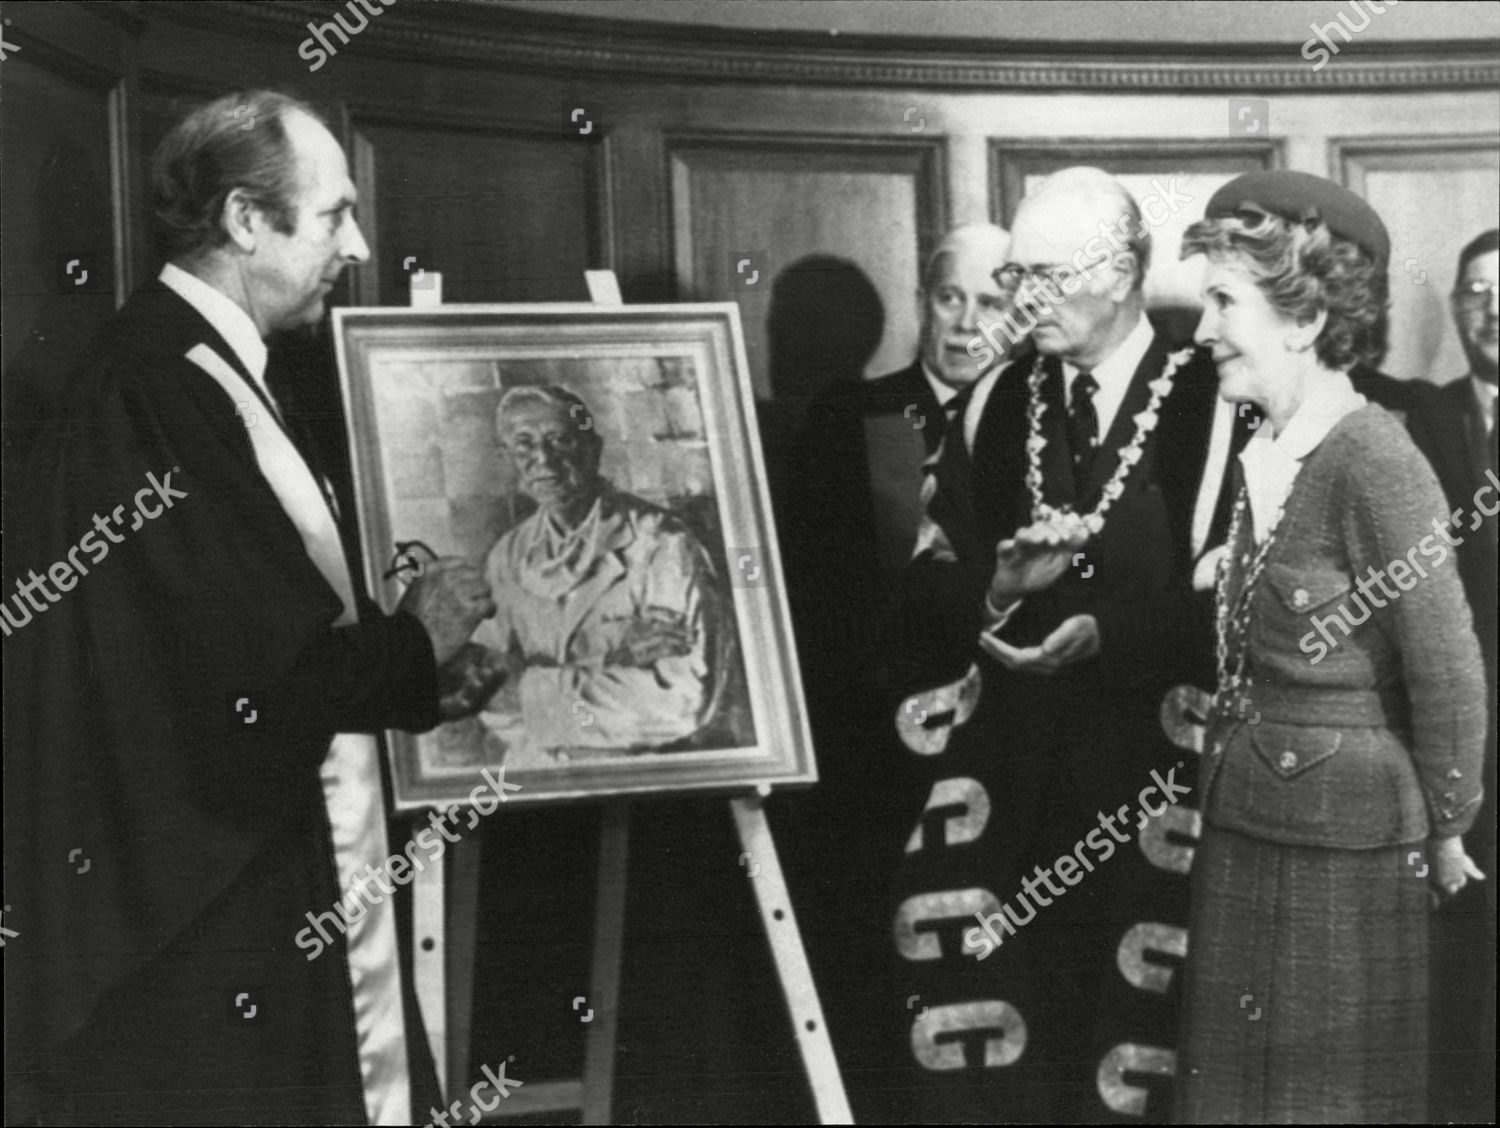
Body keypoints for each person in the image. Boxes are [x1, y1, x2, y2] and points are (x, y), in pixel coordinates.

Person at [2, 90, 498, 1126]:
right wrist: (417, 639)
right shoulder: (156, 384)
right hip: (207, 898)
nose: (356, 246)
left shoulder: (207, 370)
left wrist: (421, 678)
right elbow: (240, 676)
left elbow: (253, 630)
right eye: (331, 217)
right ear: (242, 221)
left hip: (253, 867)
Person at [892, 167, 1240, 1123]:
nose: (1020, 299)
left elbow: (1250, 595)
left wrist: (1112, 635)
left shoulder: (1218, 397)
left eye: (1047, 275)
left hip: (1165, 789)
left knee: (1145, 1049)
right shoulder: (992, 400)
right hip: (1016, 790)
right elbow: (925, 583)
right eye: (1016, 276)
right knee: (1020, 1053)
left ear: (1128, 270)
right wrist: (998, 591)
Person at [1173, 171, 1487, 1123]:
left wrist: (1447, 826)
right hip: (1250, 825)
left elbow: (1448, 667)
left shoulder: (1374, 455)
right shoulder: (1266, 445)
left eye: (1225, 302)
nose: (1203, 332)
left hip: (1344, 854)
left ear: (1304, 320)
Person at [770, 225, 1016, 1121]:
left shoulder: (1035, 422)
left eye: (992, 304)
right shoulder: (852, 415)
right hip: (876, 760)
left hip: (1000, 753)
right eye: (951, 298)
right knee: (874, 982)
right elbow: (814, 599)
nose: (965, 324)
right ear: (923, 298)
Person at [469, 384, 727, 762]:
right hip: (533, 771)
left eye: (560, 441)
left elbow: (678, 701)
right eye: (524, 444)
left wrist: (534, 694)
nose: (543, 458)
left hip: (645, 776)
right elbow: (484, 691)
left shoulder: (662, 545)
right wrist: (609, 665)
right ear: (508, 459)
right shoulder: (507, 556)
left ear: (593, 450)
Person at [1409, 226, 1498, 1122]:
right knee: (1459, 945)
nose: (1496, 308)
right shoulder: (1421, 420)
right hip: (1457, 735)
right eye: (1478, 291)